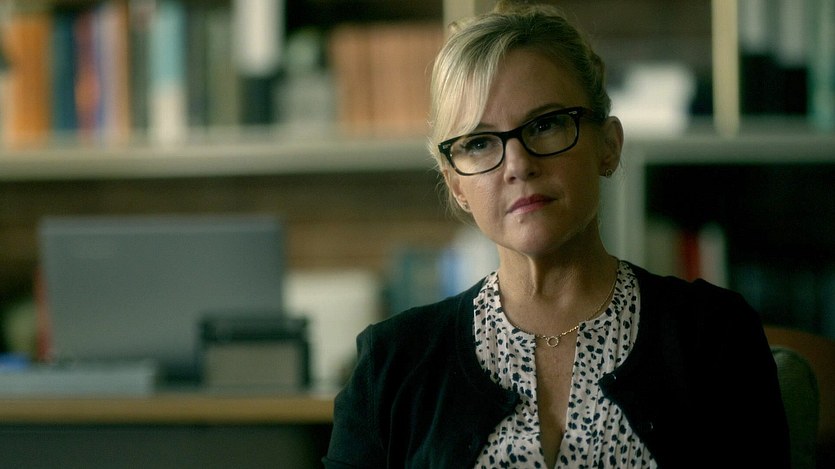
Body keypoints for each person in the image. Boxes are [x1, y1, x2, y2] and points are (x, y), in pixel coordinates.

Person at [324, 2, 790, 468]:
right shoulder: (391, 364)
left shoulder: (715, 335)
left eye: (545, 125)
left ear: (608, 145)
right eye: (480, 142)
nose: (518, 165)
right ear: (457, 185)